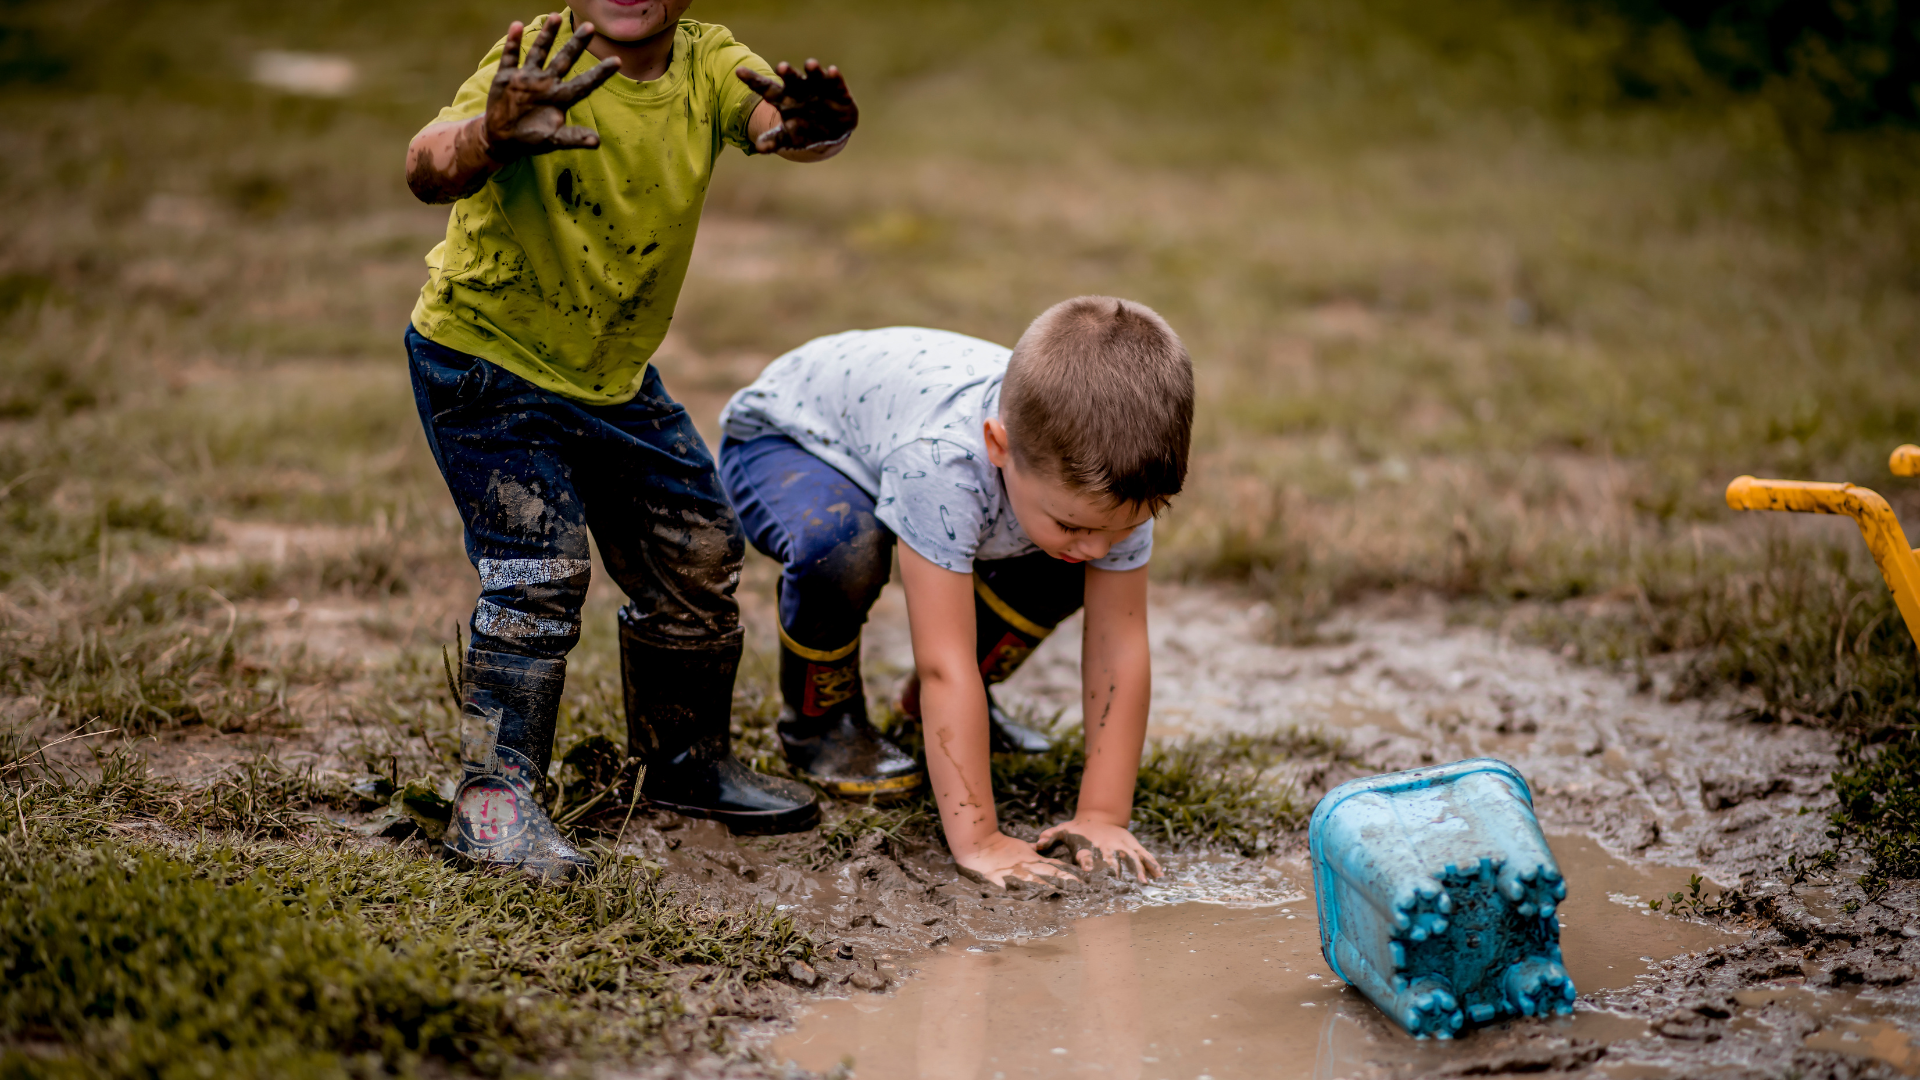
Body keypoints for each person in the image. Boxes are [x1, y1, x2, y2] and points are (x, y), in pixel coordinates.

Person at [402, 1, 860, 879]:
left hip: (611, 378)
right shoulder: (541, 57)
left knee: (698, 544)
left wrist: (818, 133)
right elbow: (426, 164)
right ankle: (492, 805)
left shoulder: (706, 62)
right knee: (539, 569)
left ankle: (683, 760)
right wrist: (491, 135)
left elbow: (778, 123)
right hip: (483, 363)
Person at [718, 297, 1193, 885]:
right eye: (1074, 524)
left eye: (1122, 527)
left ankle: (929, 711)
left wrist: (1101, 815)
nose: (1100, 546)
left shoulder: (1113, 480)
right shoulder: (944, 463)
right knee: (842, 546)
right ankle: (822, 723)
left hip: (921, 454)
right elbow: (944, 660)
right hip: (790, 441)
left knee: (1063, 562)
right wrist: (981, 841)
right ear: (1000, 446)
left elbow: (1120, 648)